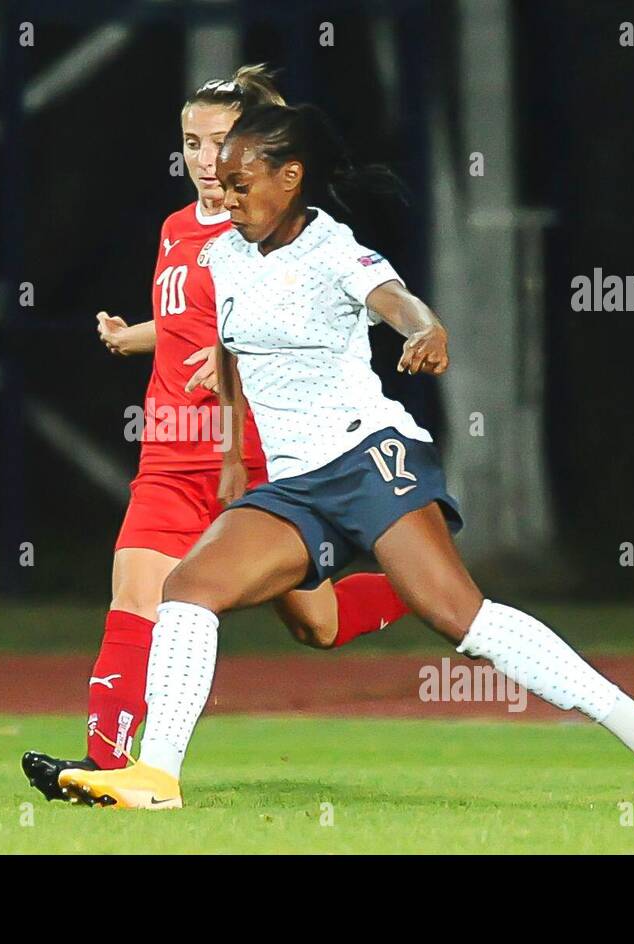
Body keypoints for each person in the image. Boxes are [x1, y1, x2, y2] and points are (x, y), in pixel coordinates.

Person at [59, 102, 634, 812]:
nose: (227, 196)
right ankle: (157, 778)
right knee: (190, 589)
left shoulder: (333, 250)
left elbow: (398, 301)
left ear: (291, 177)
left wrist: (427, 329)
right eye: (222, 180)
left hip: (366, 456)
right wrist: (229, 440)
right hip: (293, 486)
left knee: (464, 620)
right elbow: (229, 343)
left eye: (243, 183)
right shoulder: (223, 257)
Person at [22, 70, 413, 802]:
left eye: (220, 142)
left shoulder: (273, 232)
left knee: (317, 625)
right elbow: (185, 324)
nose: (204, 158)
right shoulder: (174, 229)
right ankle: (104, 768)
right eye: (191, 142)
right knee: (136, 595)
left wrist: (239, 352)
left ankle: (416, 590)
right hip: (171, 455)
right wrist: (131, 336)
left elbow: (319, 315)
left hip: (258, 461)